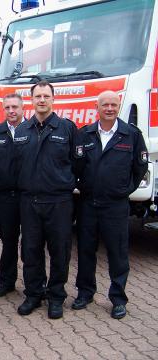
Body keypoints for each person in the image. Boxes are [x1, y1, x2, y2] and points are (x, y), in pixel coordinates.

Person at [72, 90, 148, 319]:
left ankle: (118, 298)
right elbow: (76, 164)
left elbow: (140, 167)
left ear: (119, 106)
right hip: (87, 203)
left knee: (118, 253)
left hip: (115, 206)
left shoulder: (131, 134)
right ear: (97, 107)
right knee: (85, 250)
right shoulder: (85, 134)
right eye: (105, 104)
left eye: (113, 104)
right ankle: (85, 293)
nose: (109, 108)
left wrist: (125, 190)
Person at [14, 80, 80, 319]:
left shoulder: (67, 129)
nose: (42, 100)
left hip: (59, 202)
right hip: (29, 202)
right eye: (38, 96)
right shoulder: (22, 130)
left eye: (46, 96)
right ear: (32, 100)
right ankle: (33, 294)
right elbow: (16, 164)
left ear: (53, 99)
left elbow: (79, 163)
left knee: (59, 251)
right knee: (30, 250)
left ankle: (56, 296)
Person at [0, 93, 26, 298]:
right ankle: (7, 282)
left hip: (29, 196)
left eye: (15, 107)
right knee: (8, 240)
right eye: (8, 108)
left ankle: (33, 284)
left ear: (22, 108)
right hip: (5, 196)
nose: (11, 111)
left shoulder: (33, 130)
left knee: (31, 242)